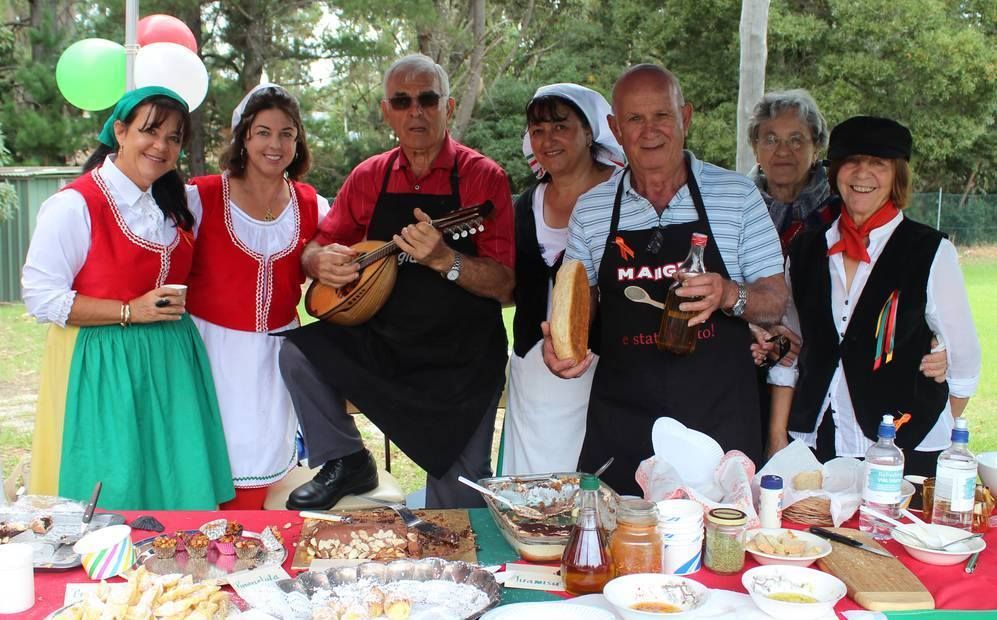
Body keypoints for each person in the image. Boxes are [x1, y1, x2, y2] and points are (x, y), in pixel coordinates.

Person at [278, 54, 515, 509]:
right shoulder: (370, 176)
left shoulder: (484, 178)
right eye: (402, 101)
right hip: (386, 346)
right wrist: (319, 261)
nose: (416, 111)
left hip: (460, 361)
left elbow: (505, 285)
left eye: (428, 98)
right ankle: (347, 459)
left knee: (455, 513)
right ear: (387, 112)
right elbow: (316, 246)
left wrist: (446, 258)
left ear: (447, 107)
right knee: (297, 351)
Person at [542, 64, 788, 495]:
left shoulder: (736, 195)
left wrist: (729, 293)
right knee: (618, 548)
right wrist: (562, 344)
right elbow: (580, 302)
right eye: (635, 119)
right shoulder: (593, 209)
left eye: (662, 116)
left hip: (717, 420)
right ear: (616, 129)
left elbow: (774, 301)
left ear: (686, 117)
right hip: (624, 419)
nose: (650, 131)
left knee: (720, 549)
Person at [22, 87, 234, 509]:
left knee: (172, 480)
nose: (162, 145)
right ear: (120, 131)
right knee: (112, 482)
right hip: (102, 364)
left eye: (174, 138)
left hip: (170, 362)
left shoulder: (172, 205)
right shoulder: (75, 205)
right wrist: (128, 311)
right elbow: (41, 298)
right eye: (150, 131)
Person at [767, 116, 981, 477]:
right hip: (816, 443)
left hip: (902, 449)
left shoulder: (930, 251)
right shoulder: (805, 249)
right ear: (836, 171)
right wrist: (776, 439)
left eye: (878, 164)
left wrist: (927, 424)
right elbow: (790, 348)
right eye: (852, 161)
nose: (862, 174)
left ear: (897, 175)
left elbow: (963, 362)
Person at [744, 91, 948, 458]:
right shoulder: (750, 213)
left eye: (796, 139)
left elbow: (958, 355)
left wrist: (939, 354)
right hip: (776, 395)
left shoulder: (902, 236)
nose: (783, 151)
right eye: (770, 139)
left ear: (818, 151)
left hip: (884, 425)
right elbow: (795, 340)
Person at [185, 84, 329, 509]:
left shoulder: (312, 205)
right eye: (263, 131)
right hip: (212, 350)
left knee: (260, 465)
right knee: (210, 459)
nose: (276, 143)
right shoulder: (202, 197)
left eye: (287, 133)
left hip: (276, 355)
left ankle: (250, 553)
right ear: (243, 137)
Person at [501, 84, 623, 475]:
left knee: (592, 482)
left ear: (590, 132)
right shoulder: (525, 206)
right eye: (537, 131)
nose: (547, 139)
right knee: (532, 485)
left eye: (560, 126)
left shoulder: (623, 196)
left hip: (605, 368)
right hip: (535, 373)